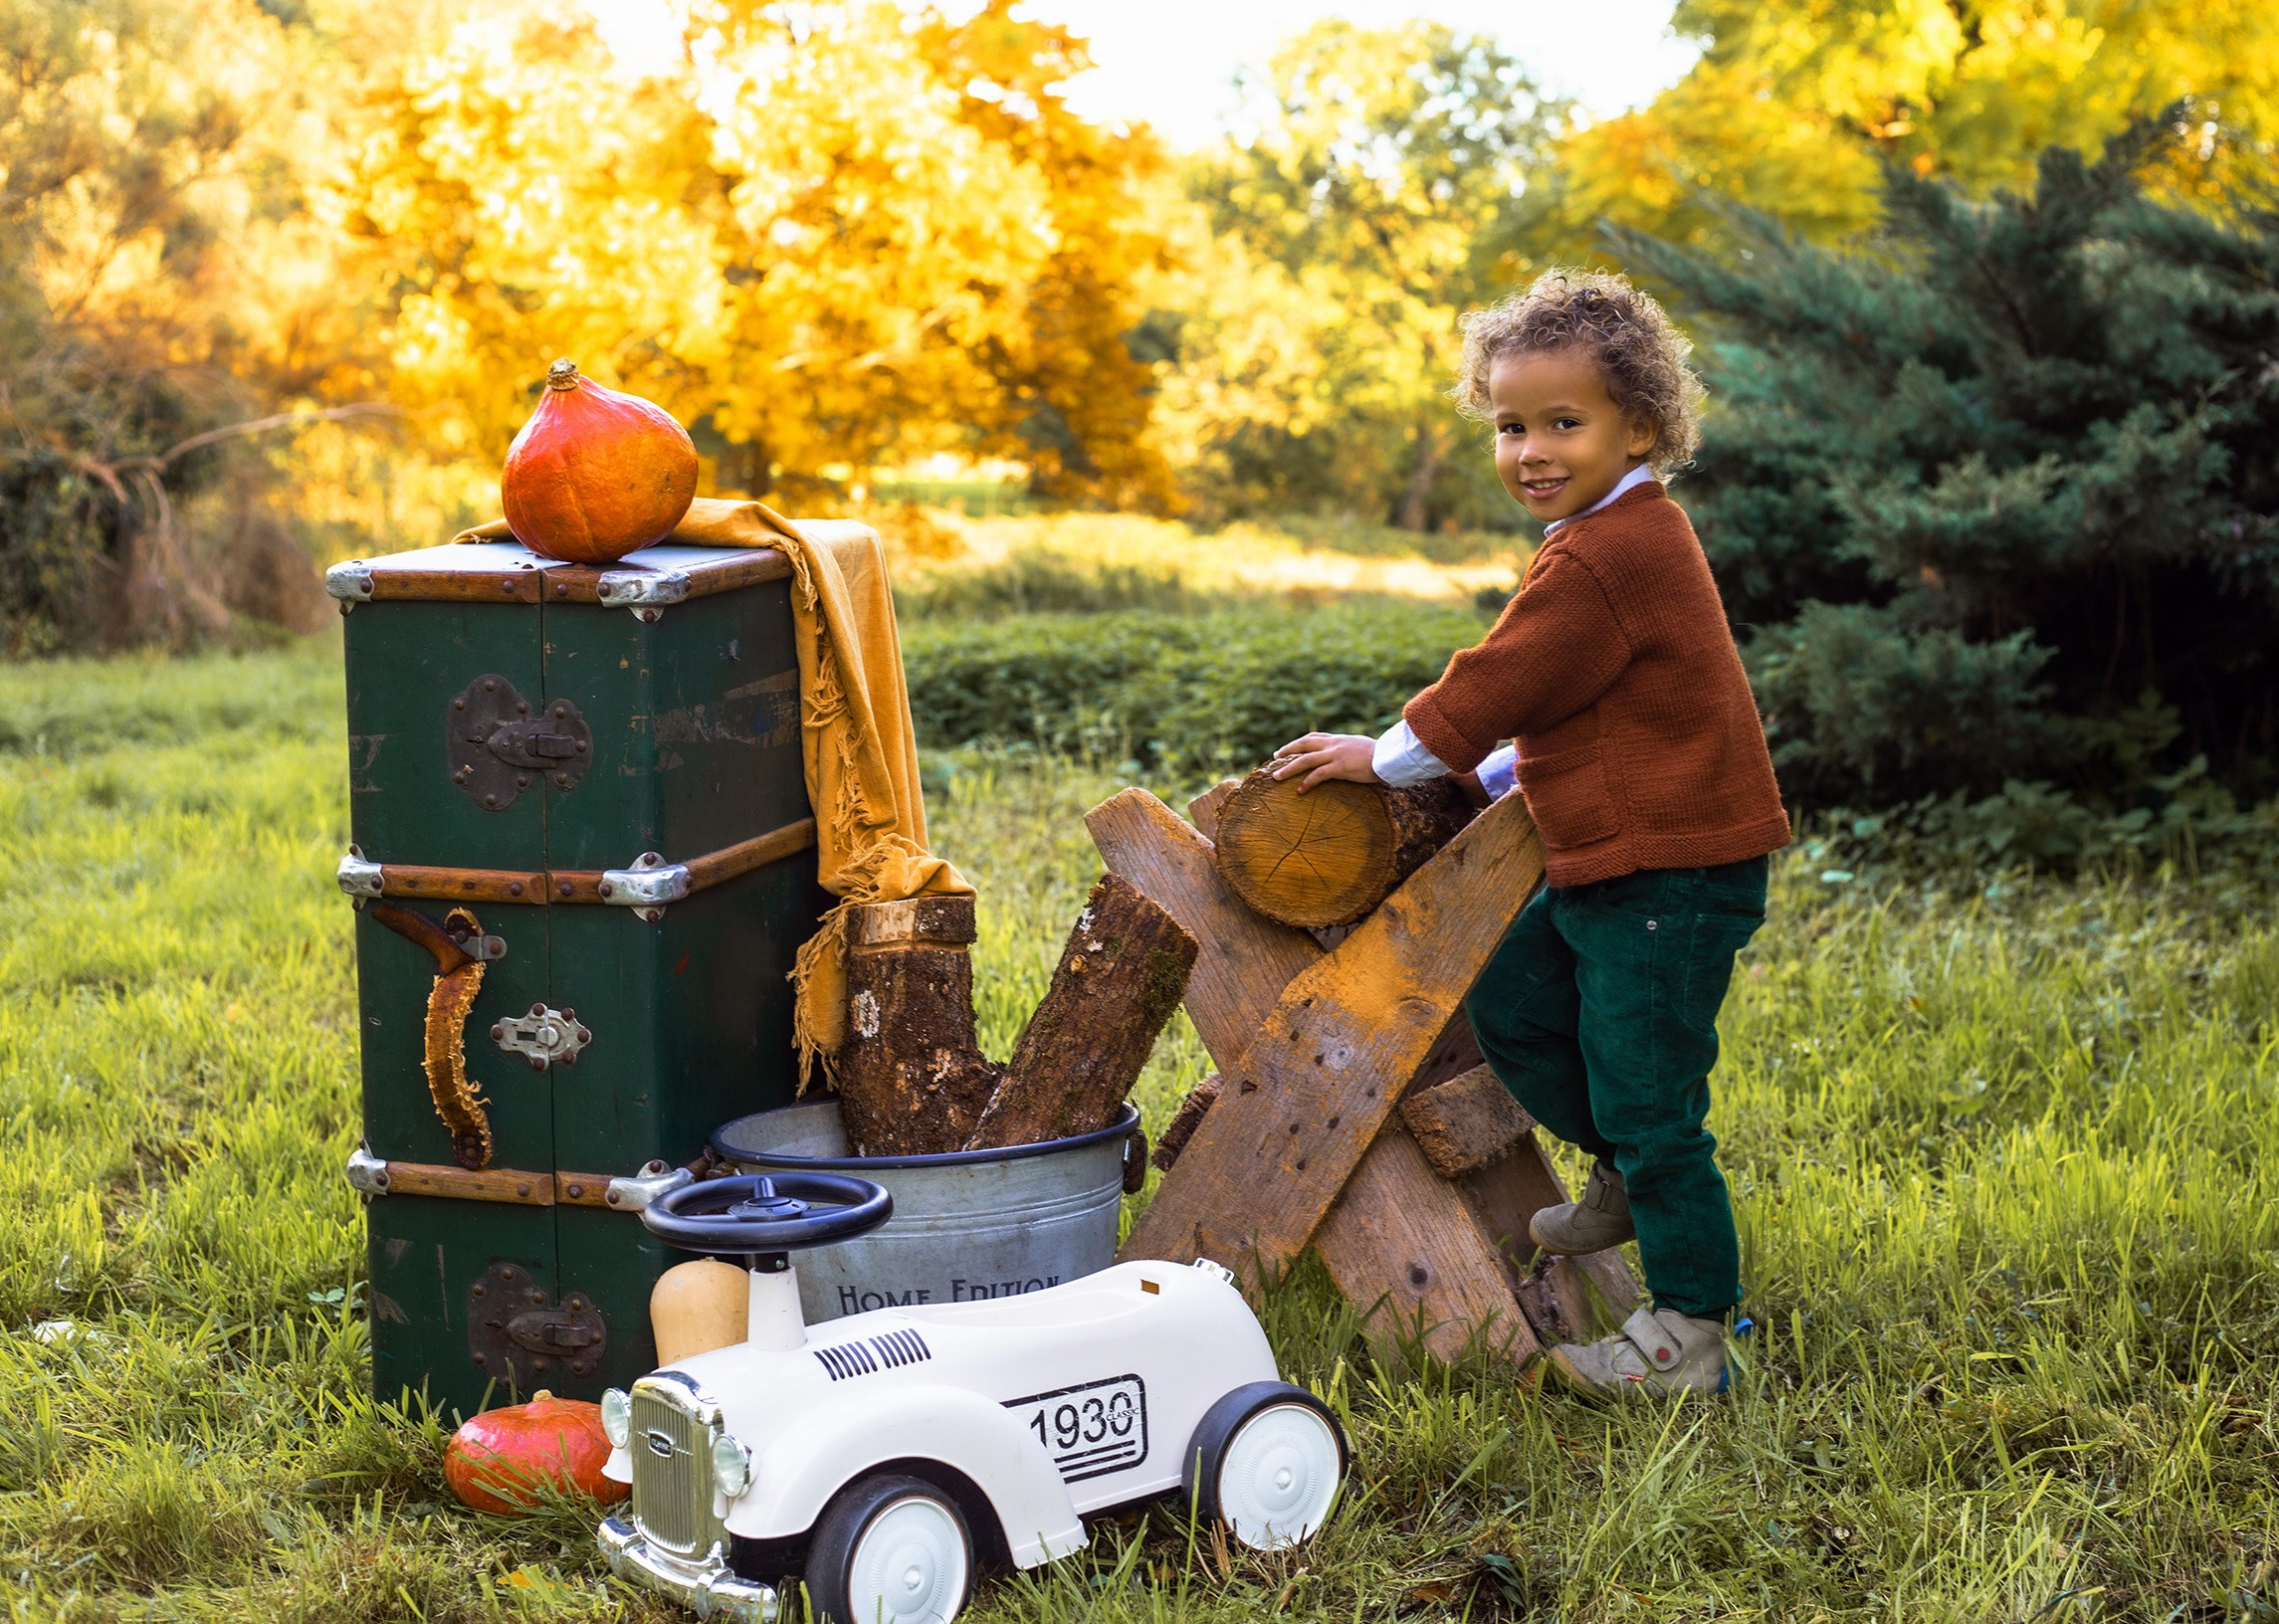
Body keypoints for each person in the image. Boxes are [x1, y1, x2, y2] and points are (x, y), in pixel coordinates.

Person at [1271, 269, 1789, 1398]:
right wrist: (1497, 770)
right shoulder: (1606, 535)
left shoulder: (1612, 548)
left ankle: (1691, 1333)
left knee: (1654, 1098)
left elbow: (1508, 675)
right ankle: (1622, 1176)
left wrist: (1387, 756)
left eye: (1565, 421)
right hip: (1624, 861)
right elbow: (1593, 701)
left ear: (1640, 426)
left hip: (1673, 871)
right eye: (1510, 425)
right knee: (1514, 997)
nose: (1531, 449)